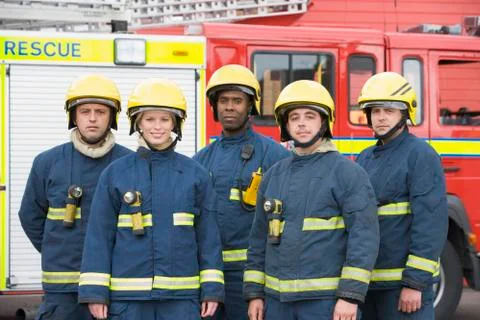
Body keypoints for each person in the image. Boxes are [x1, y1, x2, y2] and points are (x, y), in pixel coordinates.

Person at [78, 78, 224, 320]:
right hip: (128, 302)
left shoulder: (195, 174)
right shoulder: (115, 174)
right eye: (150, 119)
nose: (157, 127)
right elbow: (99, 237)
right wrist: (95, 292)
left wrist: (212, 289)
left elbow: (208, 237)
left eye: (165, 119)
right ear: (138, 123)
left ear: (175, 124)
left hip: (182, 300)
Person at [243, 80, 380, 320]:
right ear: (285, 124)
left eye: (310, 116)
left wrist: (349, 297)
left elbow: (363, 239)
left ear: (324, 122)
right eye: (294, 117)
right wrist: (255, 293)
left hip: (325, 304)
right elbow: (258, 240)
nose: (302, 123)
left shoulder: (347, 173)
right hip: (277, 304)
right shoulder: (273, 175)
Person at [18, 74, 132, 320]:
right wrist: (56, 249)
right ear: (73, 116)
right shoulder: (48, 163)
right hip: (62, 293)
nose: (92, 118)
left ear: (112, 117)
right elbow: (30, 216)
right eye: (85, 111)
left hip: (116, 288)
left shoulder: (131, 164)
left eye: (101, 112)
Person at [193, 64, 290, 319]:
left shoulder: (274, 155)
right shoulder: (200, 161)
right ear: (214, 107)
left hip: (252, 278)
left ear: (251, 106)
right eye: (223, 100)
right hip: (209, 276)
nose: (229, 106)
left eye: (237, 100)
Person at [355, 72, 448, 319]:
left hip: (403, 290)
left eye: (389, 110)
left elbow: (430, 224)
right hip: (369, 286)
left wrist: (415, 284)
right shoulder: (364, 157)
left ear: (405, 114)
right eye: (375, 111)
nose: (381, 117)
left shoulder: (421, 155)